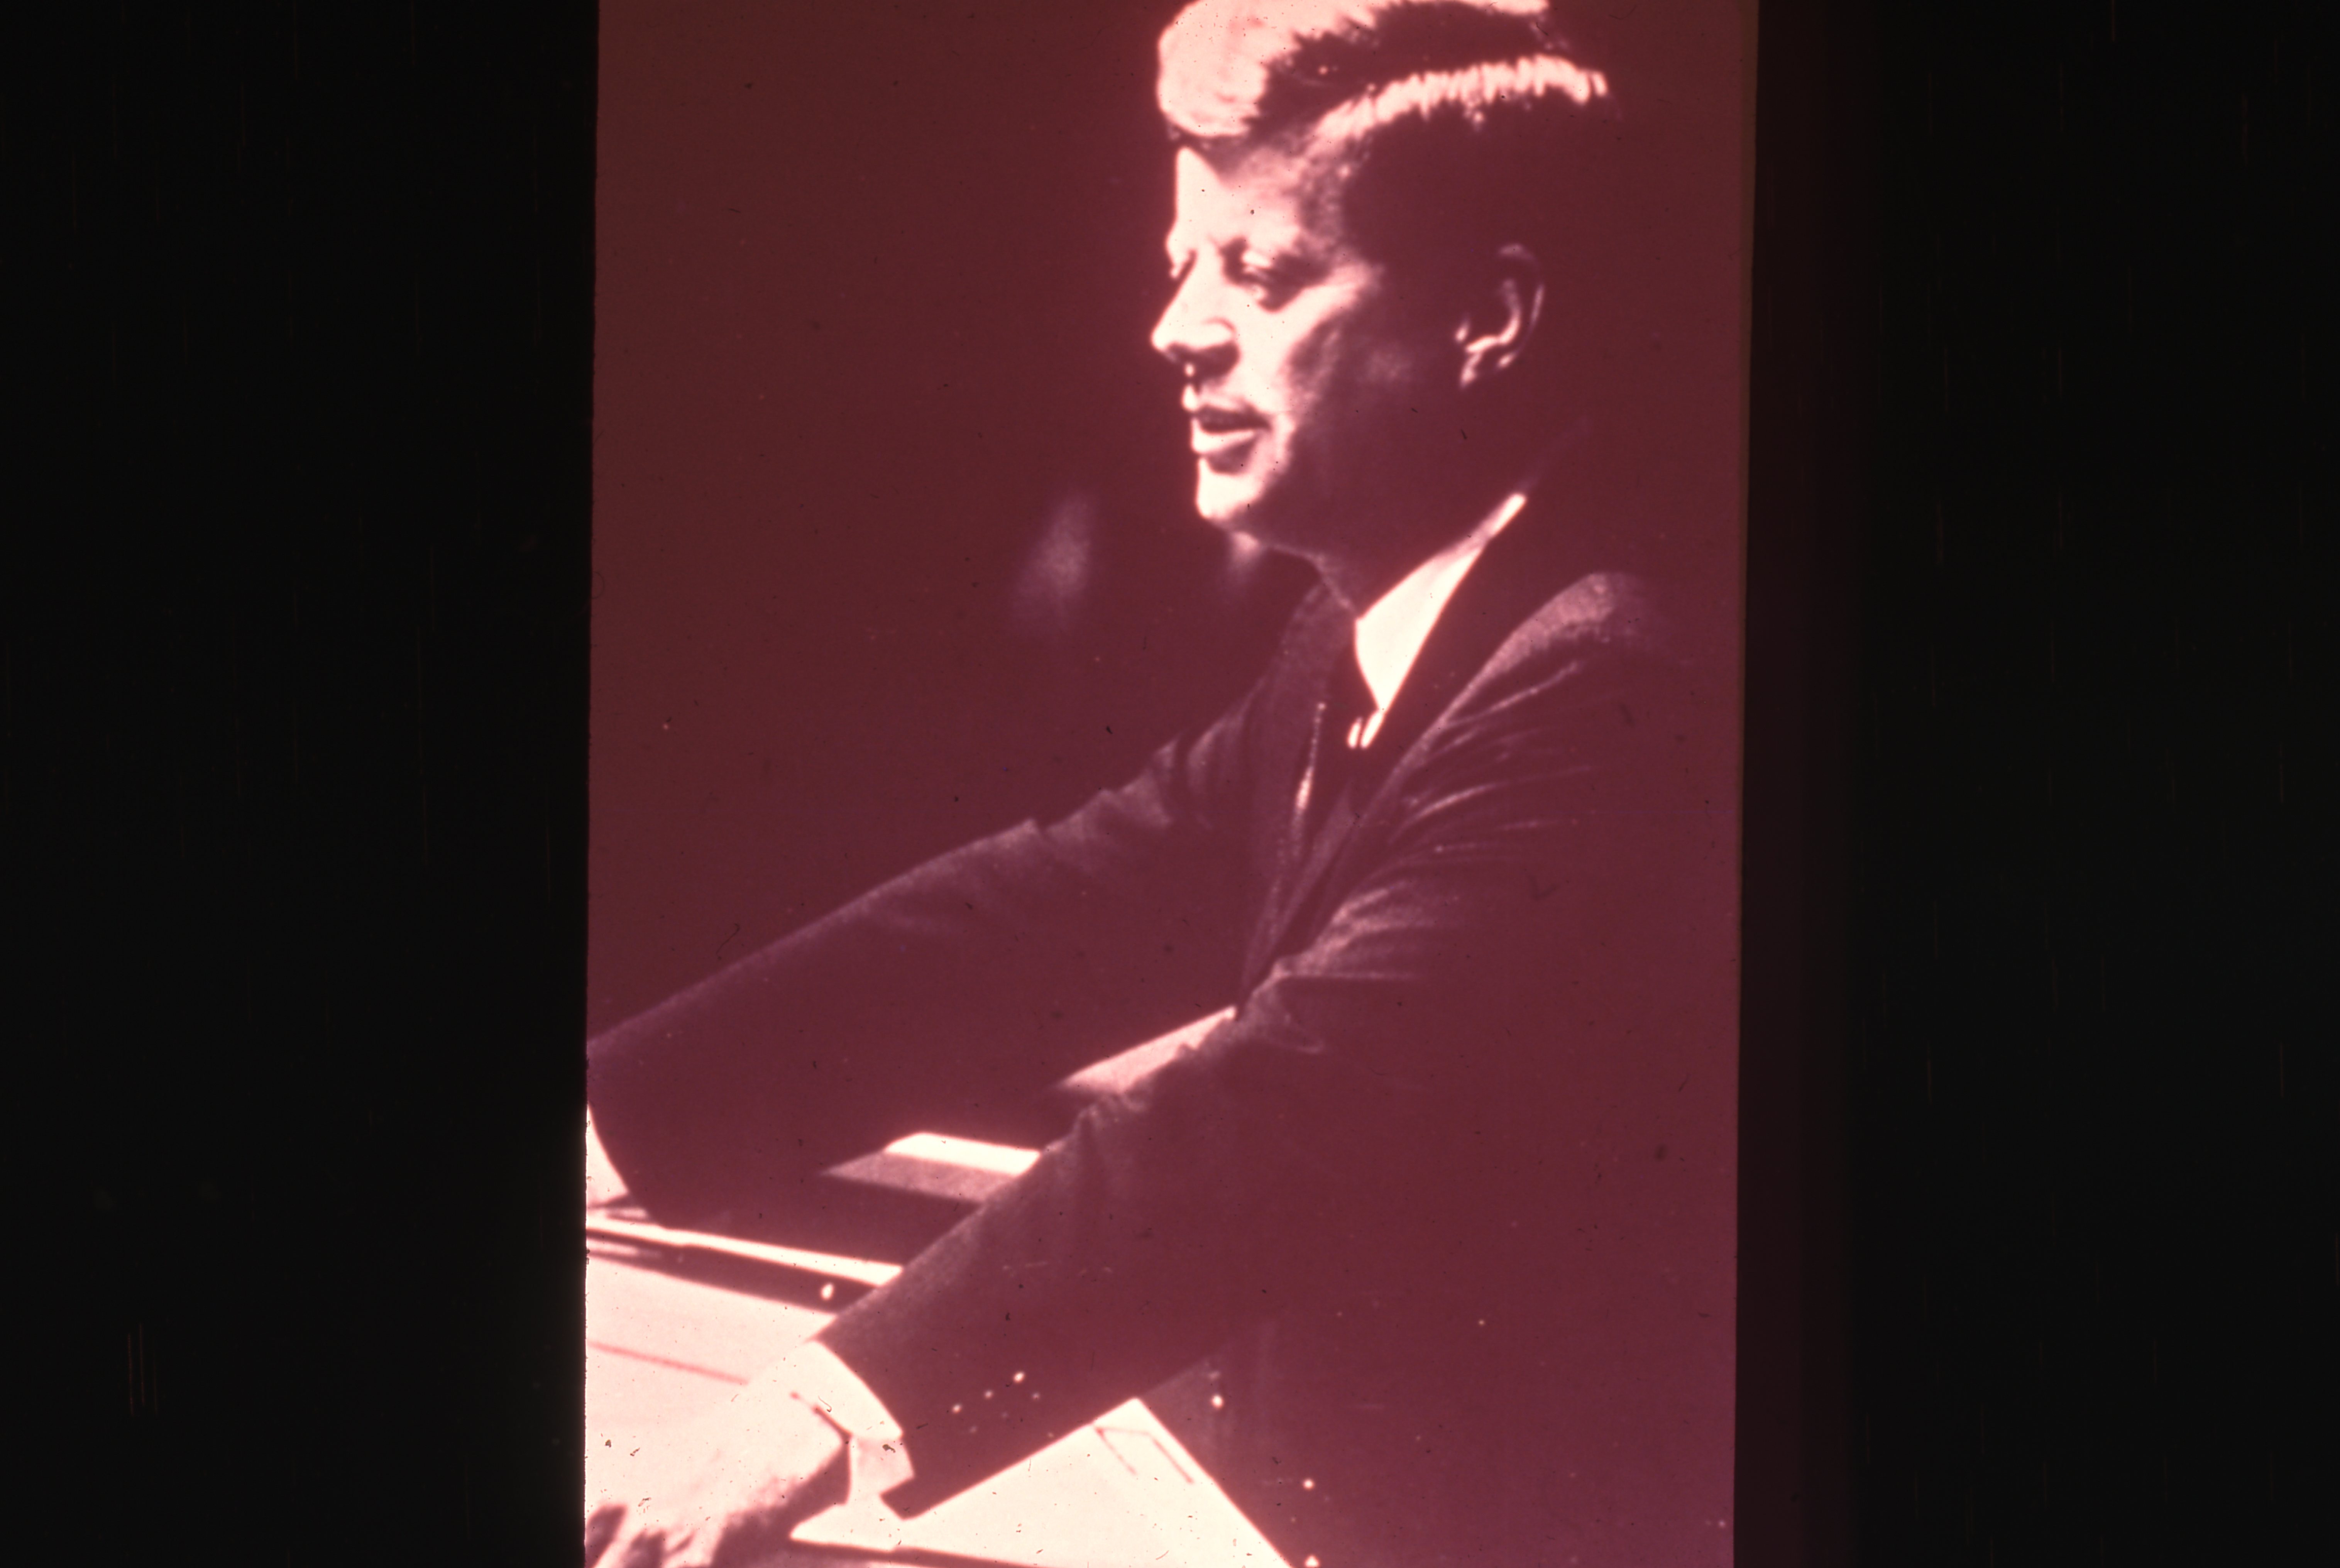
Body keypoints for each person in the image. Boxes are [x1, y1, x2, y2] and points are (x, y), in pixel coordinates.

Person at [587, 3, 1740, 1563]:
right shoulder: (1384, 620)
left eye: (1258, 272)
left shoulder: (1614, 673)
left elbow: (1276, 1118)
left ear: (1490, 315)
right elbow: (1050, 915)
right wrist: (605, 1123)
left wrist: (805, 1419)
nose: (1176, 329)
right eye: (1182, 264)